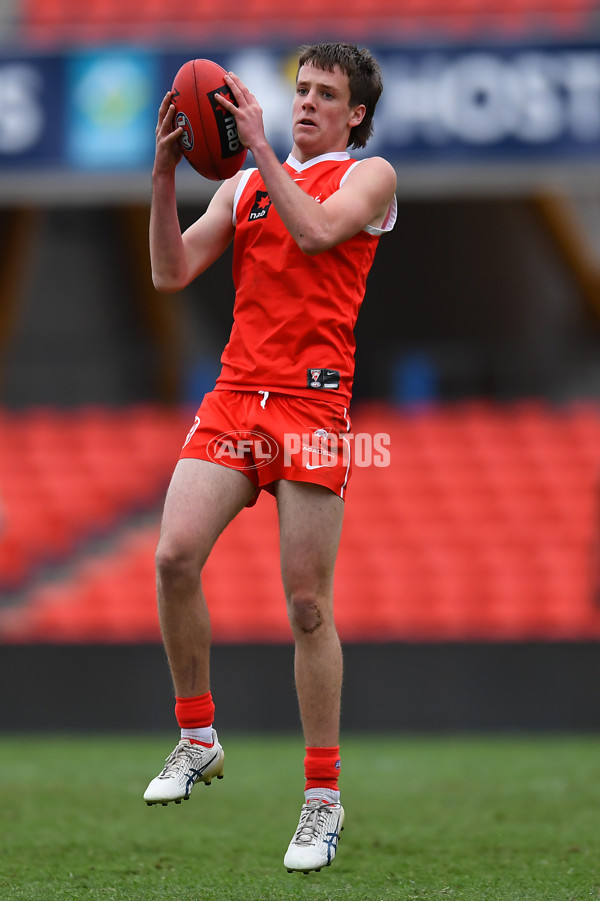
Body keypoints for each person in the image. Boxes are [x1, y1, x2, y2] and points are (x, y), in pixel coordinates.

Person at [143, 41, 397, 874]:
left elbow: (320, 231)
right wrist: (162, 174)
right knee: (175, 556)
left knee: (307, 606)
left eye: (327, 94)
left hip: (315, 405)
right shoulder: (243, 185)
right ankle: (197, 734)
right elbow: (169, 271)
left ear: (356, 113)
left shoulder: (370, 178)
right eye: (302, 89)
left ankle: (322, 797)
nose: (307, 103)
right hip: (235, 396)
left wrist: (254, 144)